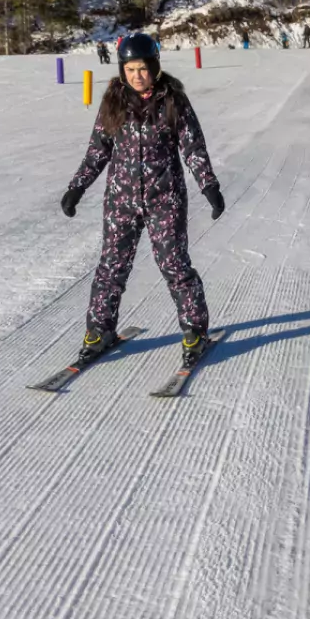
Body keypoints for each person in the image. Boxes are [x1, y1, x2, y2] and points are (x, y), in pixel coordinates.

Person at [59, 33, 224, 369]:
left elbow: (192, 147)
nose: (137, 75)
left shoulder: (173, 101)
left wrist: (209, 186)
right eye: (131, 69)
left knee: (174, 265)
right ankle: (99, 330)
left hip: (165, 200)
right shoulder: (114, 101)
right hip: (120, 200)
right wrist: (77, 187)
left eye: (143, 68)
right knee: (111, 267)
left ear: (155, 67)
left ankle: (194, 330)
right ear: (122, 70)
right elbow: (97, 150)